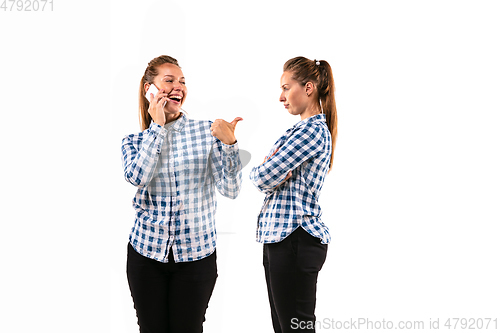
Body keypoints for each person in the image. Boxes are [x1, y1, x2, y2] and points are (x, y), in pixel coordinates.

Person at [121, 55, 243, 333]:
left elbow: (231, 190)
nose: (178, 87)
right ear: (149, 89)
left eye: (183, 82)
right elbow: (137, 176)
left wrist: (230, 144)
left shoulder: (208, 131)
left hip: (196, 258)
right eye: (169, 80)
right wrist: (158, 128)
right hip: (146, 255)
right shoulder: (134, 141)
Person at [249, 56, 338, 333]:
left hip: (294, 240)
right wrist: (269, 173)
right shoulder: (300, 131)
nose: (281, 97)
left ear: (308, 88)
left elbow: (262, 176)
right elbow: (268, 175)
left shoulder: (310, 131)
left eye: (286, 88)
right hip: (283, 240)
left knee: (295, 330)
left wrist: (266, 171)